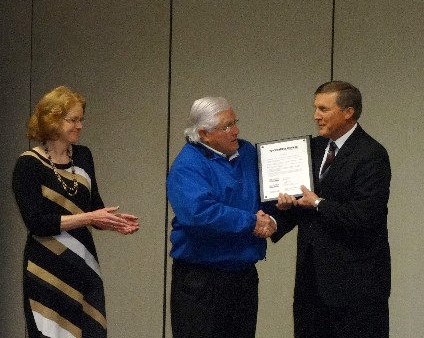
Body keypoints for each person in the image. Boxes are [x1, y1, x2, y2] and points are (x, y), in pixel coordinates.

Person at [12, 86, 140, 338]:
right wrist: (91, 218)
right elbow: (37, 223)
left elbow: (93, 206)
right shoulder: (28, 164)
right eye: (73, 120)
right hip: (47, 267)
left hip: (84, 263)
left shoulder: (83, 156)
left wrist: (111, 221)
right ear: (52, 121)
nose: (80, 126)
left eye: (81, 119)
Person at [274, 81, 391, 338]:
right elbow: (299, 203)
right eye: (315, 108)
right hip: (311, 281)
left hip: (356, 287)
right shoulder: (313, 149)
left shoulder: (371, 154)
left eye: (324, 109)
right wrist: (274, 220)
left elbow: (365, 216)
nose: (316, 116)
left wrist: (318, 203)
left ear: (348, 112)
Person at [166, 96, 276, 338]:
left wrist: (277, 213)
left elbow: (269, 194)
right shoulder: (188, 166)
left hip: (243, 276)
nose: (235, 130)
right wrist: (251, 222)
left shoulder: (248, 153)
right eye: (226, 126)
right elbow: (199, 214)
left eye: (234, 122)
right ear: (204, 134)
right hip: (202, 281)